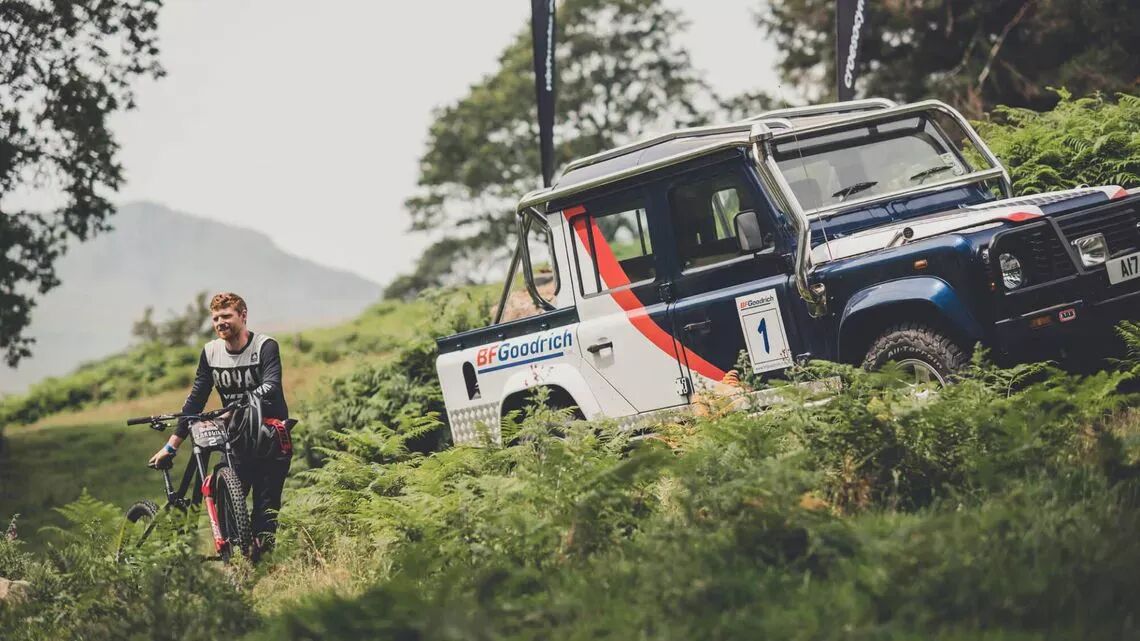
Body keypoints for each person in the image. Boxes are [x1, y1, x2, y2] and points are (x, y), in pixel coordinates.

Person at [148, 292, 292, 560]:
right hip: (236, 438)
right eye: (215, 318)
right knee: (228, 500)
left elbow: (272, 384)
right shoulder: (211, 352)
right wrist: (172, 445)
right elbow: (195, 400)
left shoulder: (265, 346)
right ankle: (235, 559)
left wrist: (242, 404)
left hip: (270, 437)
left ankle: (260, 563)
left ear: (243, 316)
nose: (220, 322)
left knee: (266, 511)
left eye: (226, 316)